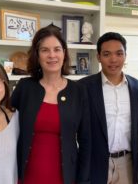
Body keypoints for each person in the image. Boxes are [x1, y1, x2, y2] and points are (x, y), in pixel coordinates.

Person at [12, 25, 91, 184]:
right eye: (45, 50)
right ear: (37, 55)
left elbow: (86, 141)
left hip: (65, 177)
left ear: (64, 53)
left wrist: (83, 180)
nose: (52, 55)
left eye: (57, 49)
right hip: (27, 175)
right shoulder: (25, 87)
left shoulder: (79, 91)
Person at [79, 32, 138, 184]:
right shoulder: (83, 87)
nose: (113, 59)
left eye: (119, 53)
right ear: (98, 57)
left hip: (127, 163)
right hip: (95, 162)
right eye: (107, 54)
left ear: (125, 56)